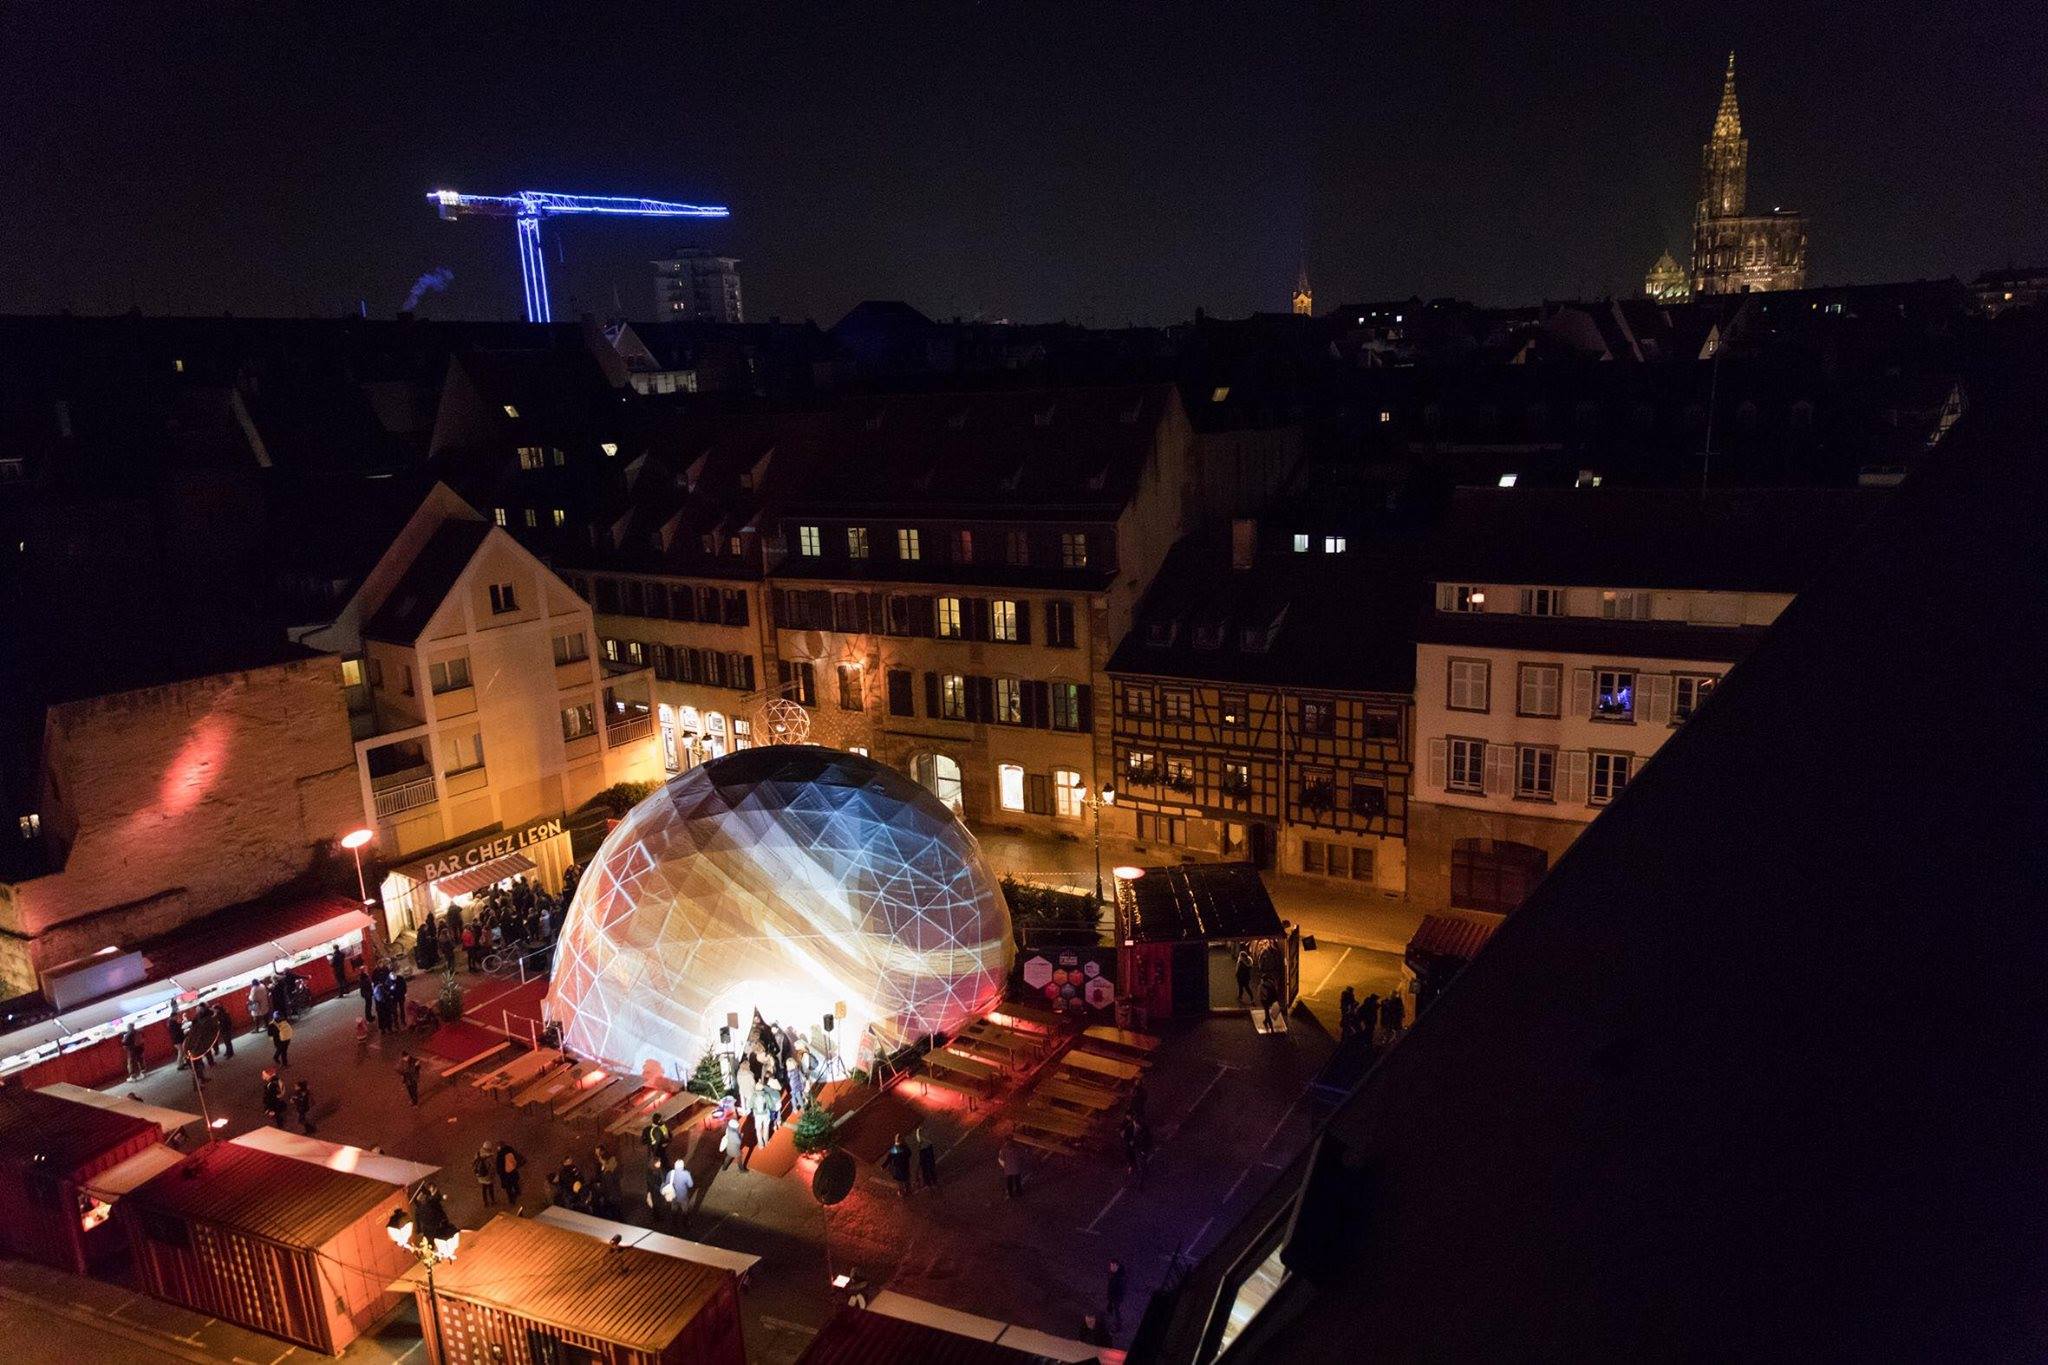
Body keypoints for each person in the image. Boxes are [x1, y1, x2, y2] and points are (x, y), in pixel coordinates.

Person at [1121, 1113, 1152, 1186]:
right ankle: (1129, 1181)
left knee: (1142, 1165)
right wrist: (1129, 1142)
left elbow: (1148, 1140)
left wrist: (1144, 1150)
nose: (1138, 1126)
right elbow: (1125, 1140)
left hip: (1140, 1149)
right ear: (1134, 1122)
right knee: (1132, 1166)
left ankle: (1141, 1181)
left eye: (1139, 1125)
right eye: (1136, 1124)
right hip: (1131, 1150)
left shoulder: (1145, 1129)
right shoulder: (1129, 1129)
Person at [495, 1141, 524, 1207]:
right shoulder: (510, 1149)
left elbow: (499, 1167)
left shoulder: (500, 1155)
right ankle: (517, 1192)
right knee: (515, 1183)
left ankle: (511, 1200)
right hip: (513, 1171)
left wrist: (499, 1173)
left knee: (509, 1188)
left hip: (506, 1174)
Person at [998, 1134, 1026, 1198]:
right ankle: (1019, 1193)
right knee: (1017, 1181)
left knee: (1009, 1182)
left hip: (1008, 1169)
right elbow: (1022, 1155)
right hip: (1017, 1167)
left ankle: (1010, 1194)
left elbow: (1001, 1158)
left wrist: (1005, 1165)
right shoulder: (1017, 1148)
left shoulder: (1003, 1149)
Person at [1106, 1258, 1127, 1333]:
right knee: (1111, 1309)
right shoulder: (1114, 1273)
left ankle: (1118, 1327)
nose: (1111, 1267)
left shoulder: (1120, 1277)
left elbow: (1120, 1290)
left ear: (1117, 1266)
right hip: (1112, 1297)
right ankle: (1110, 1321)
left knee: (1116, 1312)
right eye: (1111, 1266)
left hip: (1116, 1298)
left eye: (1113, 1266)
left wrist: (1113, 1298)